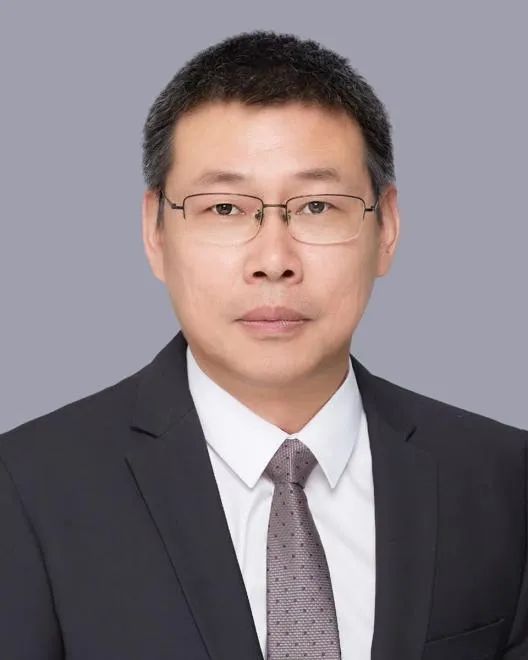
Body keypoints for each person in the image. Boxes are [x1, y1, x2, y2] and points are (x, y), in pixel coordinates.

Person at [0, 29, 527, 660]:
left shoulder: (504, 481)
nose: (273, 260)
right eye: (224, 208)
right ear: (155, 232)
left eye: (317, 207)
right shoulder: (25, 489)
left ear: (386, 227)